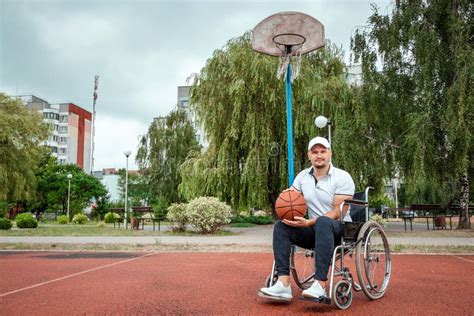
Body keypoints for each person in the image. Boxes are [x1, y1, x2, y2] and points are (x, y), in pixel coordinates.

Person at [259, 136, 355, 300]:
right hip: (313, 231)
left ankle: (319, 285)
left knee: (324, 221)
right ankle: (283, 284)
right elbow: (291, 199)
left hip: (340, 230)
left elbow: (337, 212)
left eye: (323, 151)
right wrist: (286, 203)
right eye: (315, 152)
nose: (319, 155)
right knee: (281, 226)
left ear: (329, 153)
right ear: (308, 155)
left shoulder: (342, 177)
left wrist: (311, 221)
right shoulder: (303, 177)